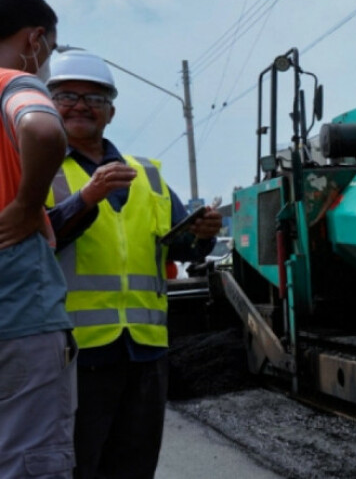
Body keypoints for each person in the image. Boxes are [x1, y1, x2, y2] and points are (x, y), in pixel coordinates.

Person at [44, 49, 223, 479]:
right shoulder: (36, 169)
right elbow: (31, 244)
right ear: (47, 104)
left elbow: (178, 249)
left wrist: (203, 235)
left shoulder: (148, 175)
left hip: (145, 351)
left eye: (96, 99)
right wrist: (86, 198)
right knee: (74, 465)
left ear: (111, 112)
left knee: (134, 466)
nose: (82, 105)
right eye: (68, 95)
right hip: (71, 354)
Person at [0, 0, 77, 479]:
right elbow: (44, 130)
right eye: (51, 46)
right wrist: (29, 204)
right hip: (17, 316)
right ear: (35, 40)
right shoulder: (13, 81)